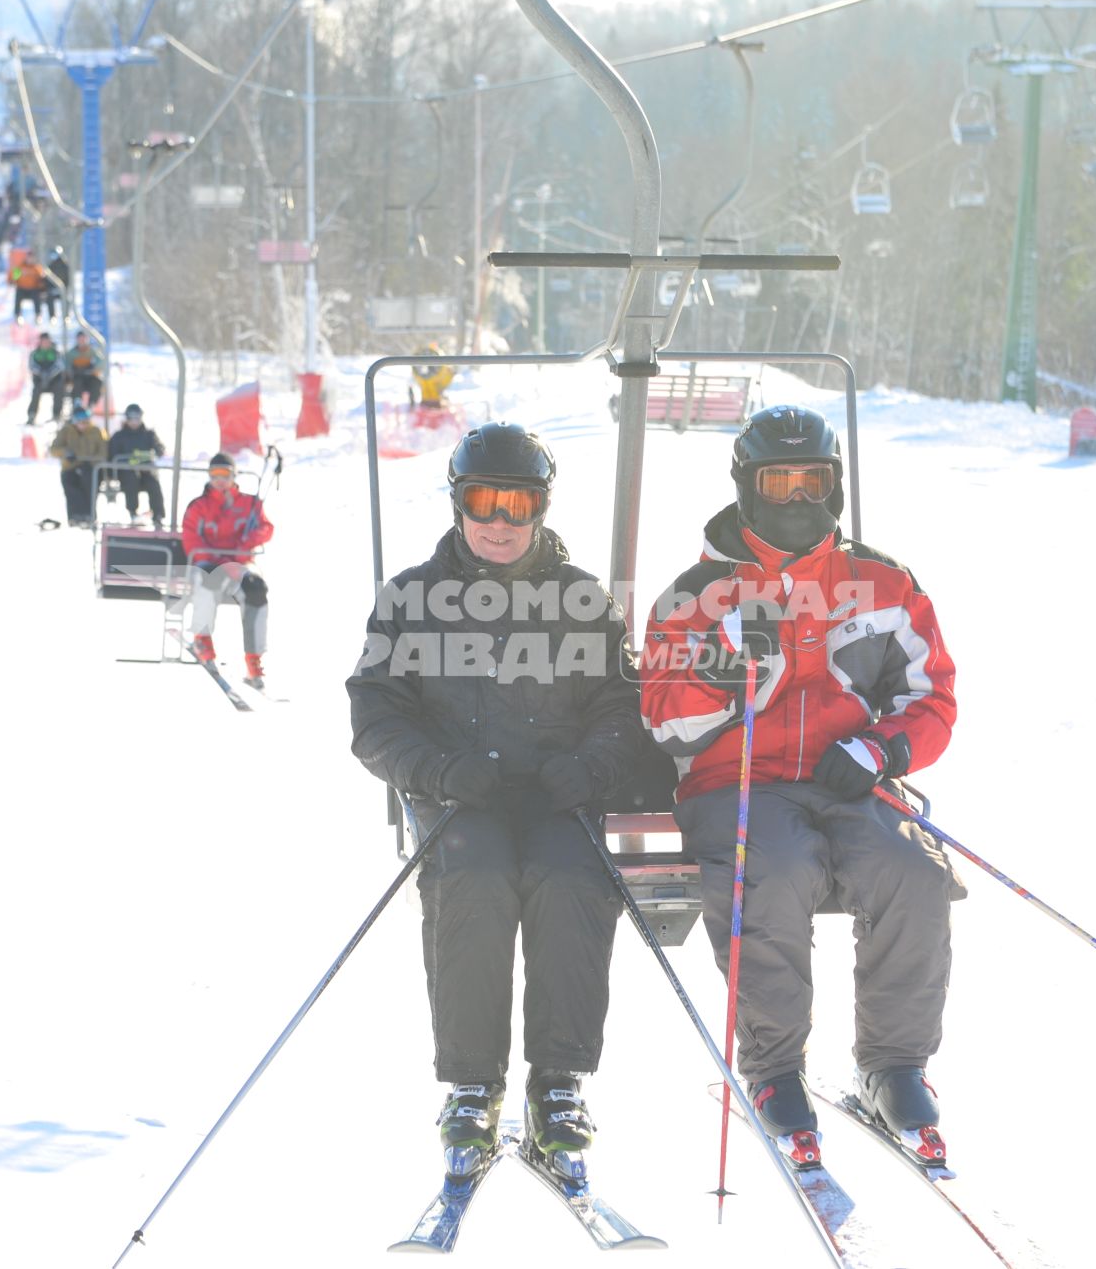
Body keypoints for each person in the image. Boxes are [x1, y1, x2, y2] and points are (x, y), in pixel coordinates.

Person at [639, 405, 962, 1168]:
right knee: (775, 870)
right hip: (738, 782)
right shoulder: (697, 593)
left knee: (914, 871)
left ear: (836, 485)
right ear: (747, 488)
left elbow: (933, 697)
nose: (794, 497)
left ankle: (894, 1064)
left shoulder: (881, 581)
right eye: (776, 481)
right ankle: (776, 1068)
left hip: (847, 777)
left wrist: (880, 749)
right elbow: (662, 719)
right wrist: (723, 684)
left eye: (810, 480)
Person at [346, 422, 642, 1184]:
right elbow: (374, 714)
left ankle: (557, 1081)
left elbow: (621, 701)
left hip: (554, 795)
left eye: (519, 503)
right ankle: (474, 1081)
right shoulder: (412, 598)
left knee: (573, 878)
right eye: (484, 501)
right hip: (462, 796)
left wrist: (591, 765)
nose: (501, 522)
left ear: (542, 507)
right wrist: (439, 769)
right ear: (458, 503)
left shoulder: (581, 600)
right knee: (472, 880)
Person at [179, 453, 274, 686]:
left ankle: (254, 657)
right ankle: (203, 641)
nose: (219, 480)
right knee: (207, 581)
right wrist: (217, 561)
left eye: (224, 474)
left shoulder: (250, 504)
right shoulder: (199, 506)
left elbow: (266, 528)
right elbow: (191, 541)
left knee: (256, 590)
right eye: (215, 475)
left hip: (238, 564)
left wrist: (245, 545)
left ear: (233, 476)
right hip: (209, 562)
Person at [107, 402, 166, 528]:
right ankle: (133, 512)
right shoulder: (119, 436)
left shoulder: (148, 434)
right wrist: (128, 462)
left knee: (153, 483)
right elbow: (112, 456)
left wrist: (156, 450)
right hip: (126, 473)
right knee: (131, 479)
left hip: (145, 471)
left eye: (137, 418)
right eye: (131, 418)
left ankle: (158, 515)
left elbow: (159, 448)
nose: (134, 421)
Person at [48, 406, 108, 527]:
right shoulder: (66, 431)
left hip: (90, 467)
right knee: (70, 486)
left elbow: (103, 452)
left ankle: (89, 516)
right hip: (70, 467)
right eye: (80, 421)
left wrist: (91, 461)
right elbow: (54, 449)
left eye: (86, 420)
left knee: (89, 485)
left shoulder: (96, 431)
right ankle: (75, 517)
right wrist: (66, 453)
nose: (83, 424)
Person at [26, 332, 68, 424]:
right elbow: (31, 366)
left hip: (54, 381)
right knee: (35, 392)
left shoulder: (55, 353)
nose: (46, 343)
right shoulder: (35, 353)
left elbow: (60, 366)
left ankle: (57, 414)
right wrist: (41, 373)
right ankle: (31, 415)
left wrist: (49, 374)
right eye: (44, 341)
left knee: (59, 390)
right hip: (40, 381)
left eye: (47, 341)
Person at [66, 331, 103, 413]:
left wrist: (93, 369)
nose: (82, 341)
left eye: (84, 339)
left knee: (97, 383)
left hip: (90, 376)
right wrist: (72, 371)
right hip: (77, 377)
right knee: (77, 383)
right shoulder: (72, 353)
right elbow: (66, 365)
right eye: (80, 339)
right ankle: (77, 404)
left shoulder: (92, 352)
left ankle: (91, 405)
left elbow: (100, 362)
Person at [10, 249, 46, 322]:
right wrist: (13, 280)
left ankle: (38, 314)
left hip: (33, 289)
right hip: (22, 289)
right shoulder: (21, 267)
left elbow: (41, 278)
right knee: (18, 294)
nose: (30, 259)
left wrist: (41, 286)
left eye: (32, 258)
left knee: (37, 295)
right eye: (29, 257)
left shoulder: (36, 268)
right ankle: (18, 314)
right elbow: (14, 277)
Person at [46, 246, 70, 324]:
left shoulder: (65, 266)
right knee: (49, 298)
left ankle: (66, 316)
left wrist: (64, 288)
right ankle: (52, 316)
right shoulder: (50, 266)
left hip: (63, 290)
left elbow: (68, 280)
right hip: (53, 290)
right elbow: (47, 280)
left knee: (67, 299)